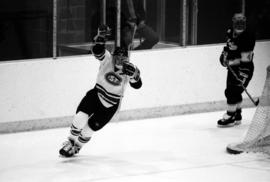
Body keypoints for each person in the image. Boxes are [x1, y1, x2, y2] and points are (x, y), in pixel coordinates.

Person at [59, 25, 142, 157]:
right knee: (80, 117)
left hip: (110, 106)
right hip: (96, 95)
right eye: (117, 58)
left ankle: (77, 147)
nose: (119, 61)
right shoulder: (108, 58)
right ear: (113, 56)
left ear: (126, 59)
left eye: (122, 59)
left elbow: (137, 85)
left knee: (89, 129)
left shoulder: (129, 70)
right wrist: (100, 40)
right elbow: (98, 51)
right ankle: (69, 141)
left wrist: (135, 76)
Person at [217, 13, 256, 127]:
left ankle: (230, 116)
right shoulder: (230, 31)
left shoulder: (249, 36)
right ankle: (237, 115)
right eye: (237, 25)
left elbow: (245, 60)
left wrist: (229, 62)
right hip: (233, 66)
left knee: (232, 92)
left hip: (244, 69)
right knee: (233, 91)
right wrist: (224, 55)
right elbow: (228, 46)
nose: (238, 28)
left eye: (241, 26)